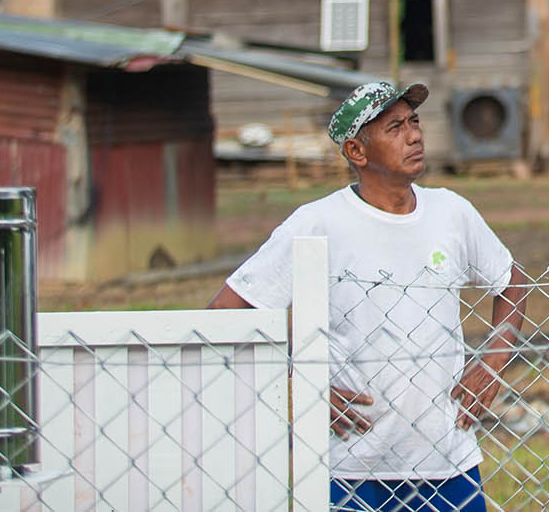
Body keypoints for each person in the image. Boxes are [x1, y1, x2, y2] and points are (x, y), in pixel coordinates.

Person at [209, 80, 532, 512]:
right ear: (357, 153)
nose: (415, 135)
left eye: (414, 122)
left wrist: (493, 360)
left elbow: (511, 280)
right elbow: (225, 313)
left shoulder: (451, 213)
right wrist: (295, 383)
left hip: (447, 461)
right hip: (353, 466)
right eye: (394, 127)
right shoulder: (318, 223)